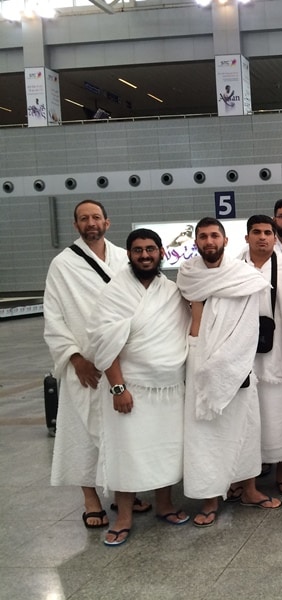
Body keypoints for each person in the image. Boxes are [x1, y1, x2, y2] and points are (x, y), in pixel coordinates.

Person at [45, 199, 150, 530]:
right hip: (86, 367)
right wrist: (74, 358)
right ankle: (91, 499)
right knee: (81, 433)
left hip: (123, 361)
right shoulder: (62, 265)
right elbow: (55, 317)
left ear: (107, 222)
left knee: (123, 431)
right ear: (75, 226)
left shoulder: (123, 257)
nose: (90, 223)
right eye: (83, 219)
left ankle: (127, 492)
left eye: (96, 217)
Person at [87, 229, 190, 546]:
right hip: (130, 389)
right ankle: (124, 516)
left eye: (150, 249)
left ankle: (165, 505)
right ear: (129, 255)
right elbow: (105, 343)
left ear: (161, 252)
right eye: (137, 250)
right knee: (127, 452)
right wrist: (118, 388)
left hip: (170, 389)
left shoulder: (172, 292)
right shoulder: (115, 291)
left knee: (167, 449)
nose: (144, 255)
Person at [178, 217, 282, 527]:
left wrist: (225, 363)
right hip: (198, 357)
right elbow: (189, 315)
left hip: (237, 361)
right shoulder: (188, 275)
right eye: (203, 236)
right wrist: (205, 361)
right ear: (196, 242)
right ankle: (210, 497)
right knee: (204, 432)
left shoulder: (244, 276)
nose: (209, 241)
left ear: (225, 240)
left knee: (245, 429)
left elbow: (250, 324)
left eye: (214, 236)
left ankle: (249, 489)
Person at [242, 215, 282, 497]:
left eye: (268, 232)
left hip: (281, 353)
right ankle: (243, 478)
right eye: (256, 232)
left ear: (275, 238)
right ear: (247, 237)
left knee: (281, 415)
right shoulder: (233, 270)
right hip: (243, 356)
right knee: (245, 419)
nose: (263, 237)